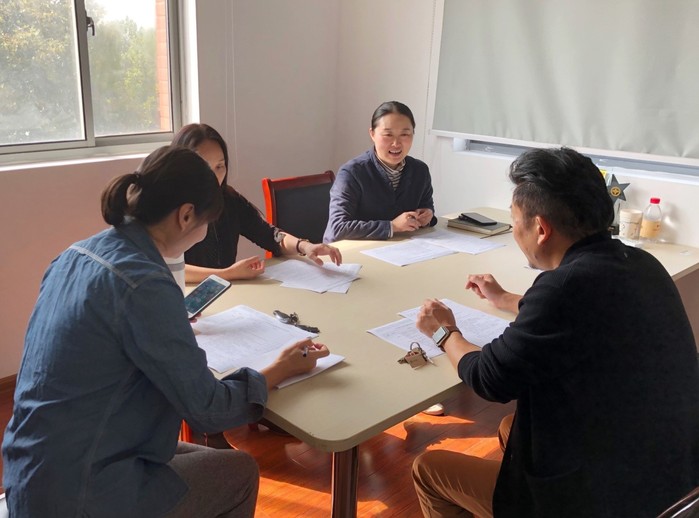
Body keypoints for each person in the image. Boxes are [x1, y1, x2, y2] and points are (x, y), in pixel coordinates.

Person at [1, 146, 330, 518]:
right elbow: (209, 410)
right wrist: (281, 368)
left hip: (32, 468)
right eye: (207, 223)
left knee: (192, 455)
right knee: (239, 472)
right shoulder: (145, 283)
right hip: (80, 492)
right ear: (186, 215)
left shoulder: (76, 254)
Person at [412, 147, 699, 518]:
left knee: (429, 470)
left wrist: (444, 332)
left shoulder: (564, 288)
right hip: (674, 473)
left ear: (541, 229)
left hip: (612, 499)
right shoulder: (640, 262)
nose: (515, 230)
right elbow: (578, 316)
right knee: (511, 427)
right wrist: (505, 298)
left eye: (515, 220)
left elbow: (488, 378)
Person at [172, 123, 342, 283]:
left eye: (220, 166)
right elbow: (168, 267)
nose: (214, 177)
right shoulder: (170, 209)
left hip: (227, 290)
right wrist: (228, 274)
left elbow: (269, 235)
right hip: (186, 295)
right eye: (205, 167)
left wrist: (304, 246)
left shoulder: (229, 200)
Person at [323, 100, 438, 243]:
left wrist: (427, 215)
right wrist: (392, 226)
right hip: (351, 252)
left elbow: (426, 206)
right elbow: (337, 228)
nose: (396, 143)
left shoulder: (420, 171)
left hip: (401, 248)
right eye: (388, 135)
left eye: (405, 134)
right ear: (372, 134)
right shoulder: (352, 173)